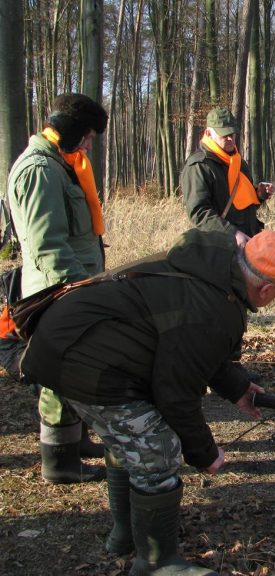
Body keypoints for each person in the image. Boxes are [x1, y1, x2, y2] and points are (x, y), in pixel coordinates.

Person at [20, 228, 275, 575]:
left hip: (75, 339)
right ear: (266, 289)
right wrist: (205, 453)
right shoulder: (212, 307)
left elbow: (191, 349)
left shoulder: (214, 268)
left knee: (132, 439)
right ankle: (156, 562)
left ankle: (128, 536)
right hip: (81, 359)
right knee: (158, 448)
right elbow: (176, 394)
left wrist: (239, 388)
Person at [4, 93, 108, 483]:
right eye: (87, 136)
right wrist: (76, 289)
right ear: (71, 132)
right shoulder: (40, 171)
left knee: (75, 368)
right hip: (56, 292)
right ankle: (60, 462)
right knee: (60, 373)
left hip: (72, 287)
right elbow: (47, 244)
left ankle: (76, 440)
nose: (89, 144)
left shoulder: (58, 166)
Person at [182, 107, 272, 249]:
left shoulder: (238, 162)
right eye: (224, 135)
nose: (230, 138)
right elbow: (199, 213)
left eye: (232, 133)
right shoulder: (199, 165)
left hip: (249, 242)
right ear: (208, 133)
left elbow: (239, 207)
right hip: (220, 246)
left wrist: (258, 195)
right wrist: (233, 233)